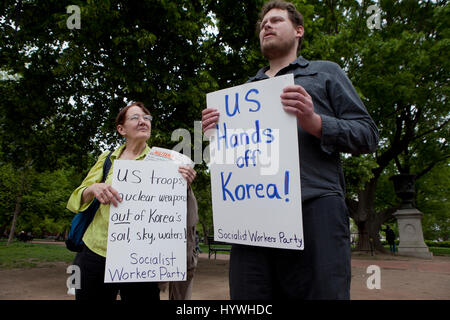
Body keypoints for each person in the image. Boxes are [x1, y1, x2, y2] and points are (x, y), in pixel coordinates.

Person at [202, 0, 379, 300]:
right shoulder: (241, 94)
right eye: (262, 23)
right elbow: (234, 162)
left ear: (299, 31)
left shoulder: (326, 73)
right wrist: (217, 137)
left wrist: (316, 122)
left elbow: (368, 135)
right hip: (251, 219)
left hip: (315, 210)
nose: (266, 26)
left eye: (275, 20)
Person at [67, 102, 197, 301]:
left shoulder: (166, 162)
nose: (143, 121)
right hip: (96, 252)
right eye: (135, 118)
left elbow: (171, 212)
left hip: (140, 259)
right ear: (121, 129)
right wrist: (93, 189)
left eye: (147, 118)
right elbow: (76, 198)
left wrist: (184, 185)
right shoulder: (108, 158)